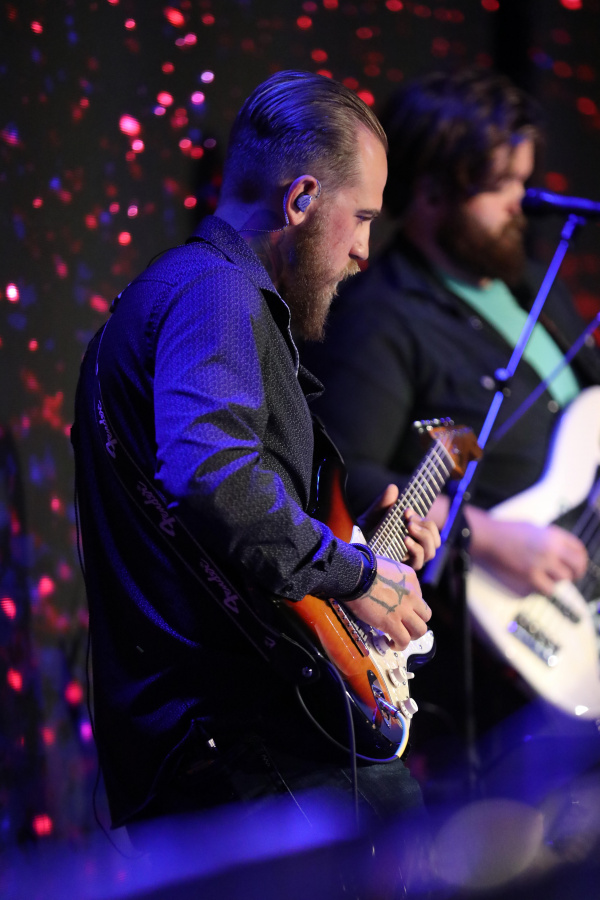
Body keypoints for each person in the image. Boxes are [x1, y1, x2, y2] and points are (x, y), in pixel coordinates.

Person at [70, 70, 440, 845]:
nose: (364, 251)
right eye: (361, 218)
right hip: (248, 751)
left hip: (229, 751)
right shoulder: (215, 294)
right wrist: (360, 576)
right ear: (300, 199)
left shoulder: (182, 293)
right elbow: (215, 479)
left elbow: (225, 513)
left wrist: (358, 537)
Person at [303, 68, 600, 798]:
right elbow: (349, 473)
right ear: (433, 192)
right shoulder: (380, 314)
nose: (520, 205)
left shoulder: (530, 283)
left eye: (523, 181)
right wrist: (488, 537)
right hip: (498, 638)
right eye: (500, 187)